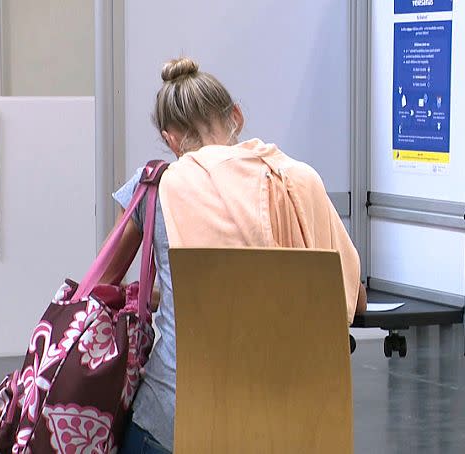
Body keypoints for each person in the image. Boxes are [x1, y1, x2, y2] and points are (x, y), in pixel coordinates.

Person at [101, 57, 366, 454]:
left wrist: (164, 294)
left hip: (174, 420)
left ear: (169, 138)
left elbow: (105, 284)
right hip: (293, 423)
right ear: (237, 116)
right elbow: (350, 298)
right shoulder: (298, 180)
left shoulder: (154, 187)